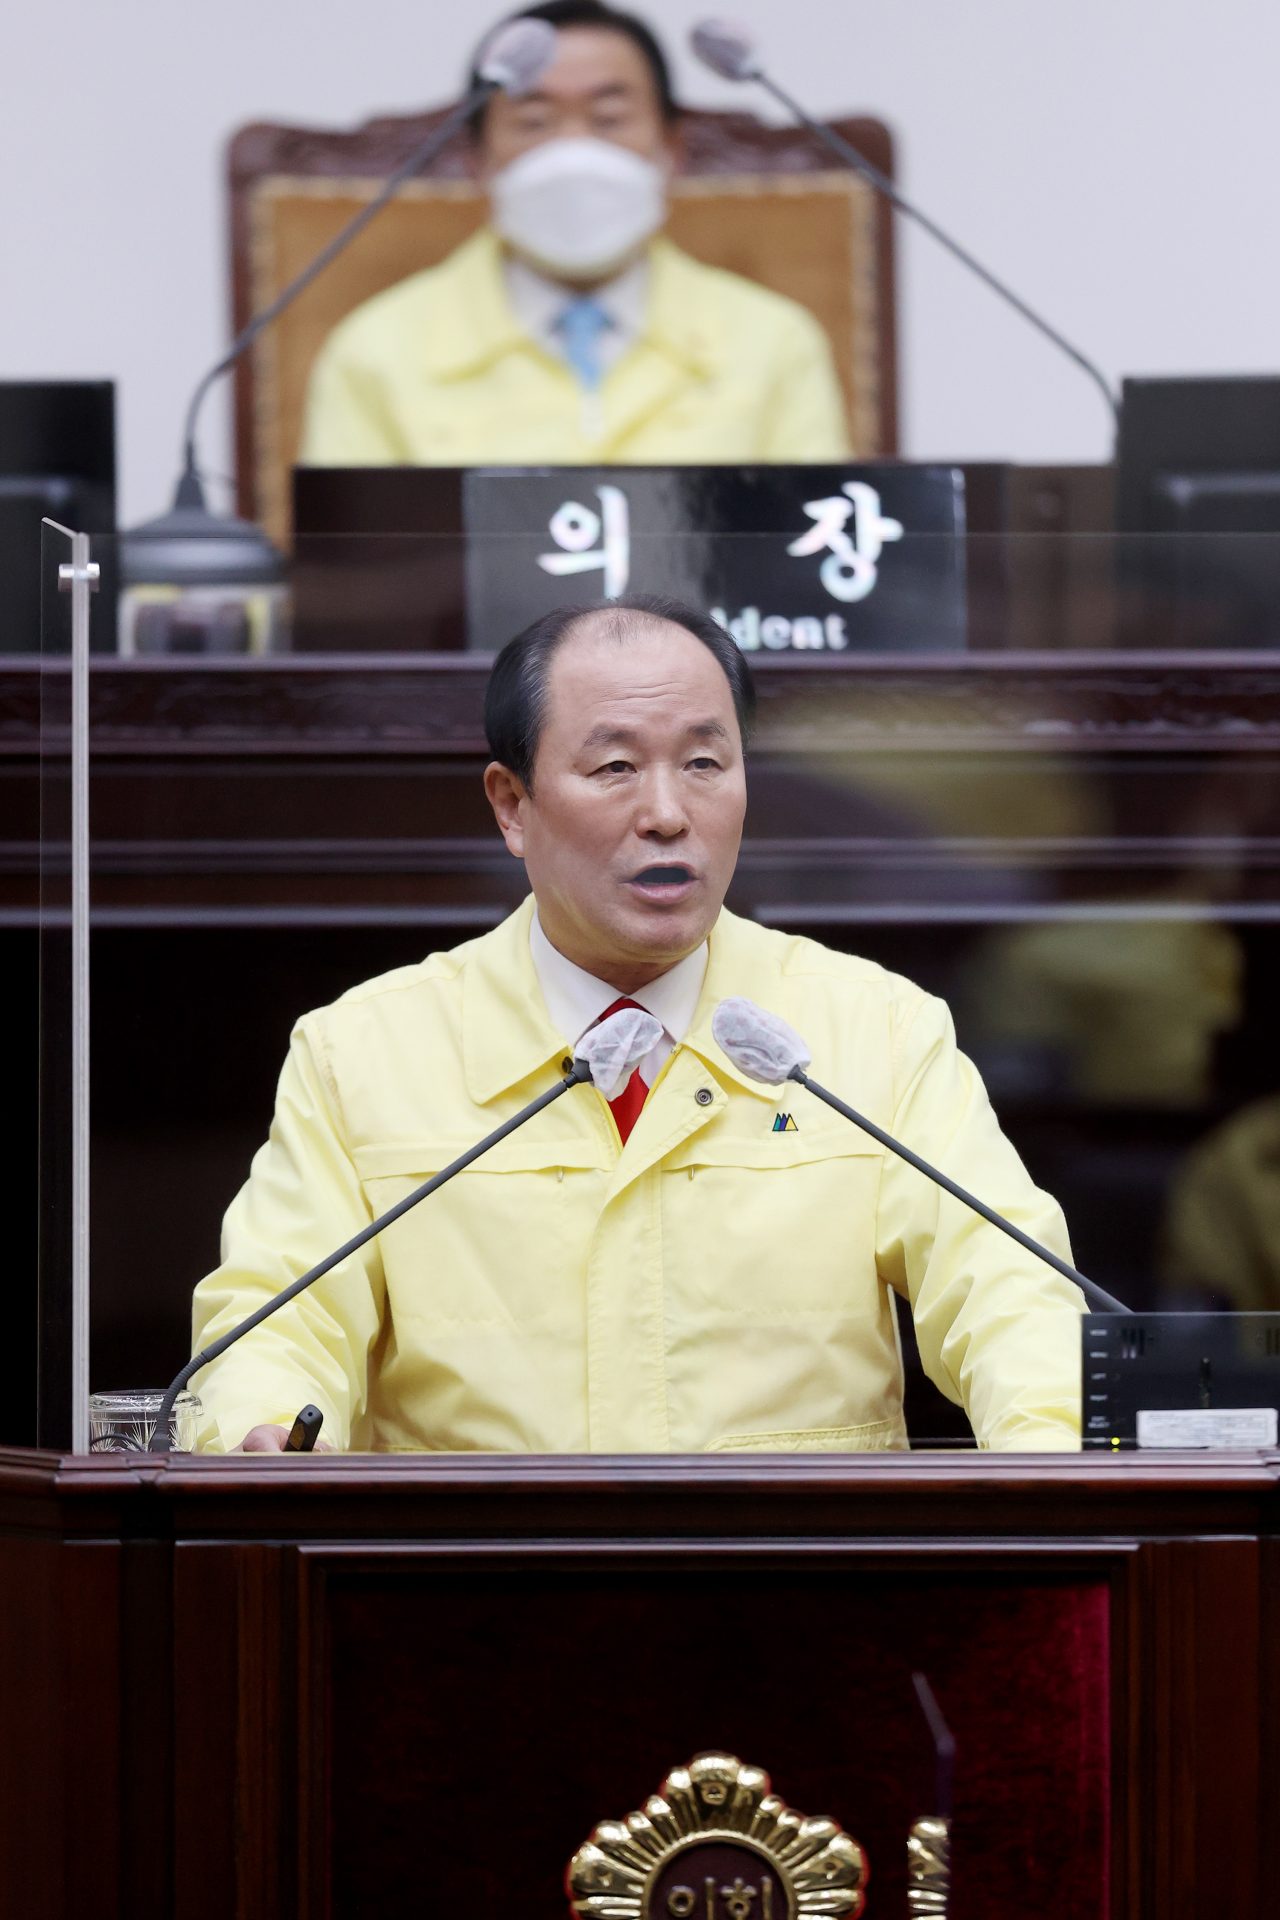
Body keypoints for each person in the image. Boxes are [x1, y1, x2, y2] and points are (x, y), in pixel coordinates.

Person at [190, 594, 1085, 1454]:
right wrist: (260, 1431)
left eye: (704, 764)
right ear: (512, 805)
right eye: (615, 768)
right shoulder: (364, 1053)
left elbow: (1011, 1295)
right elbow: (276, 1324)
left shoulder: (875, 1030)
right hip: (479, 1556)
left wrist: (1054, 1464)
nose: (667, 815)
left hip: (801, 1555)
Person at [300, 1, 850, 468]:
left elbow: (811, 549)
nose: (573, 151)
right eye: (534, 122)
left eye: (609, 118)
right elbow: (353, 560)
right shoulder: (374, 352)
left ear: (672, 147)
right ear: (477, 158)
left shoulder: (774, 342)